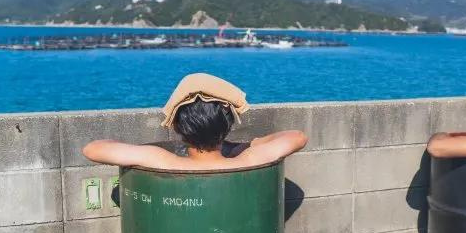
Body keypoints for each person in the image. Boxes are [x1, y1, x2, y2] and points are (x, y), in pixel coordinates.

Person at [82, 73, 308, 170]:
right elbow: (297, 137)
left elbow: (93, 149)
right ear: (227, 125)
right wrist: (248, 145)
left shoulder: (164, 161)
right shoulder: (248, 160)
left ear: (179, 127)